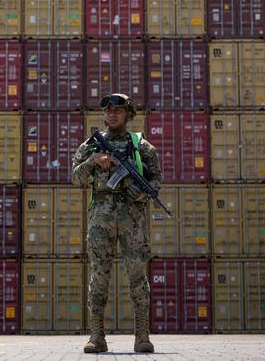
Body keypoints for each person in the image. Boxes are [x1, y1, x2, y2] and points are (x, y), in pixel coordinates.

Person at [71, 93, 161, 353]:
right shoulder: (91, 145)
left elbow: (156, 179)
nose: (112, 114)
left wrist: (141, 191)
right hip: (101, 218)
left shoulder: (141, 146)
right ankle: (97, 336)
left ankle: (142, 336)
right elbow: (76, 178)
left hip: (132, 219)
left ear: (128, 114)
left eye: (118, 110)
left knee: (137, 278)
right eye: (108, 110)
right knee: (99, 278)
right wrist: (93, 161)